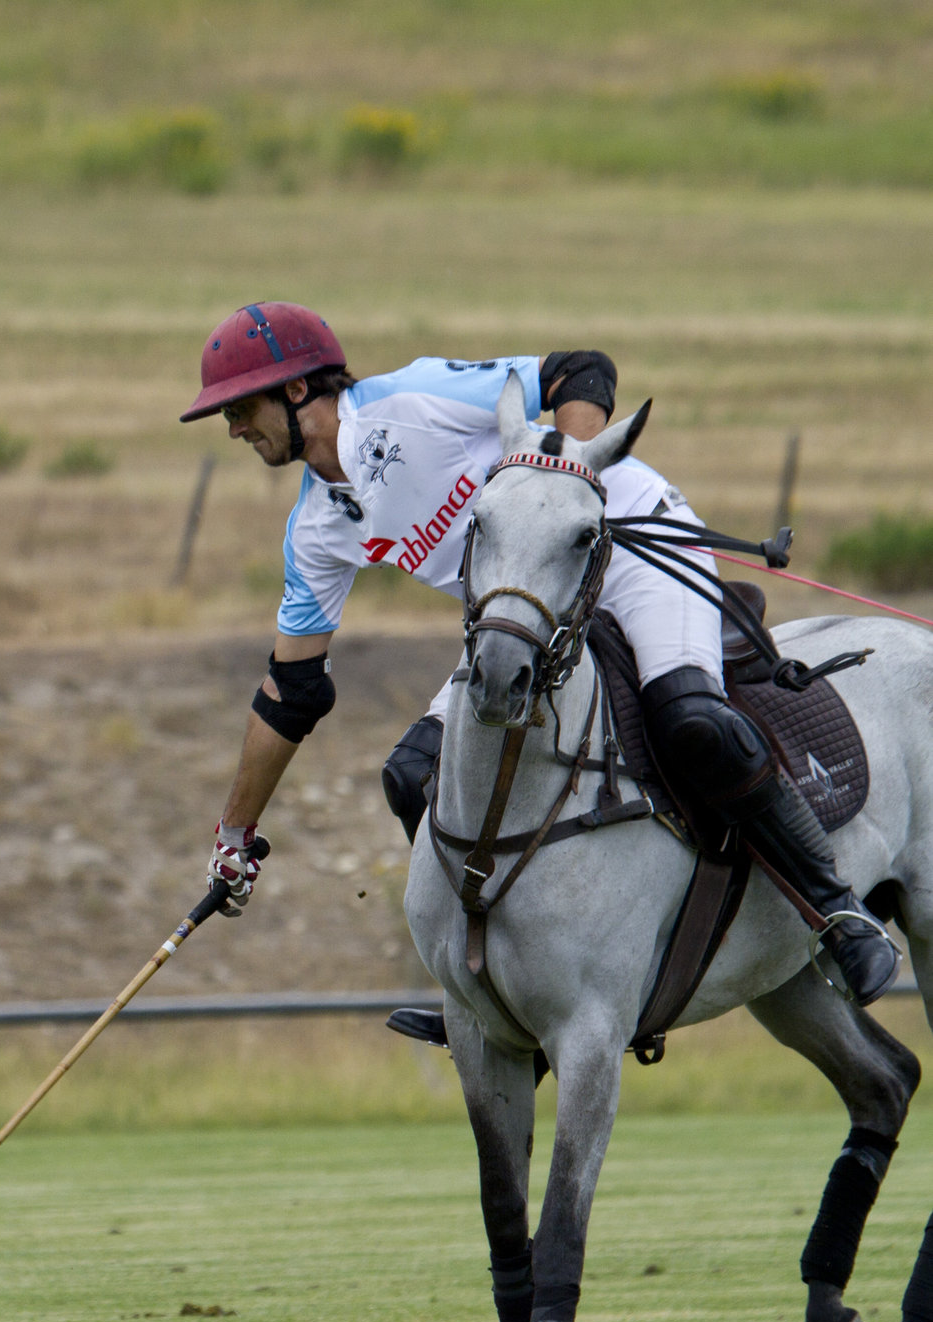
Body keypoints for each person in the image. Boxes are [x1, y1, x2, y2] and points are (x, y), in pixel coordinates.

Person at [182, 303, 897, 1018]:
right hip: (523, 619)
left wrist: (563, 485)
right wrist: (235, 833)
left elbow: (581, 370)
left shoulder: (412, 399)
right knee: (411, 775)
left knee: (692, 721)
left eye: (240, 407)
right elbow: (292, 690)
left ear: (298, 389)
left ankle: (836, 911)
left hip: (622, 549)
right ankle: (488, 979)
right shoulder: (314, 528)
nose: (235, 427)